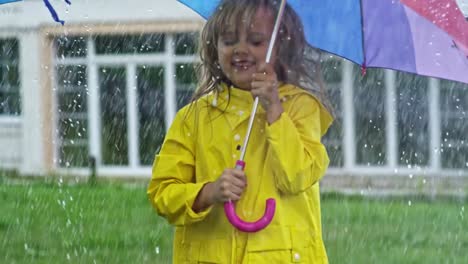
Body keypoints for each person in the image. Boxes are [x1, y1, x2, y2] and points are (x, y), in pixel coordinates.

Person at [147, 0, 333, 263]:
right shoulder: (195, 117)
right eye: (229, 40)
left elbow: (297, 176)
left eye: (256, 41)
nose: (240, 50)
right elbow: (162, 192)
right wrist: (208, 192)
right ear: (215, 45)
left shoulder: (301, 108)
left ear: (280, 47)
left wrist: (274, 111)